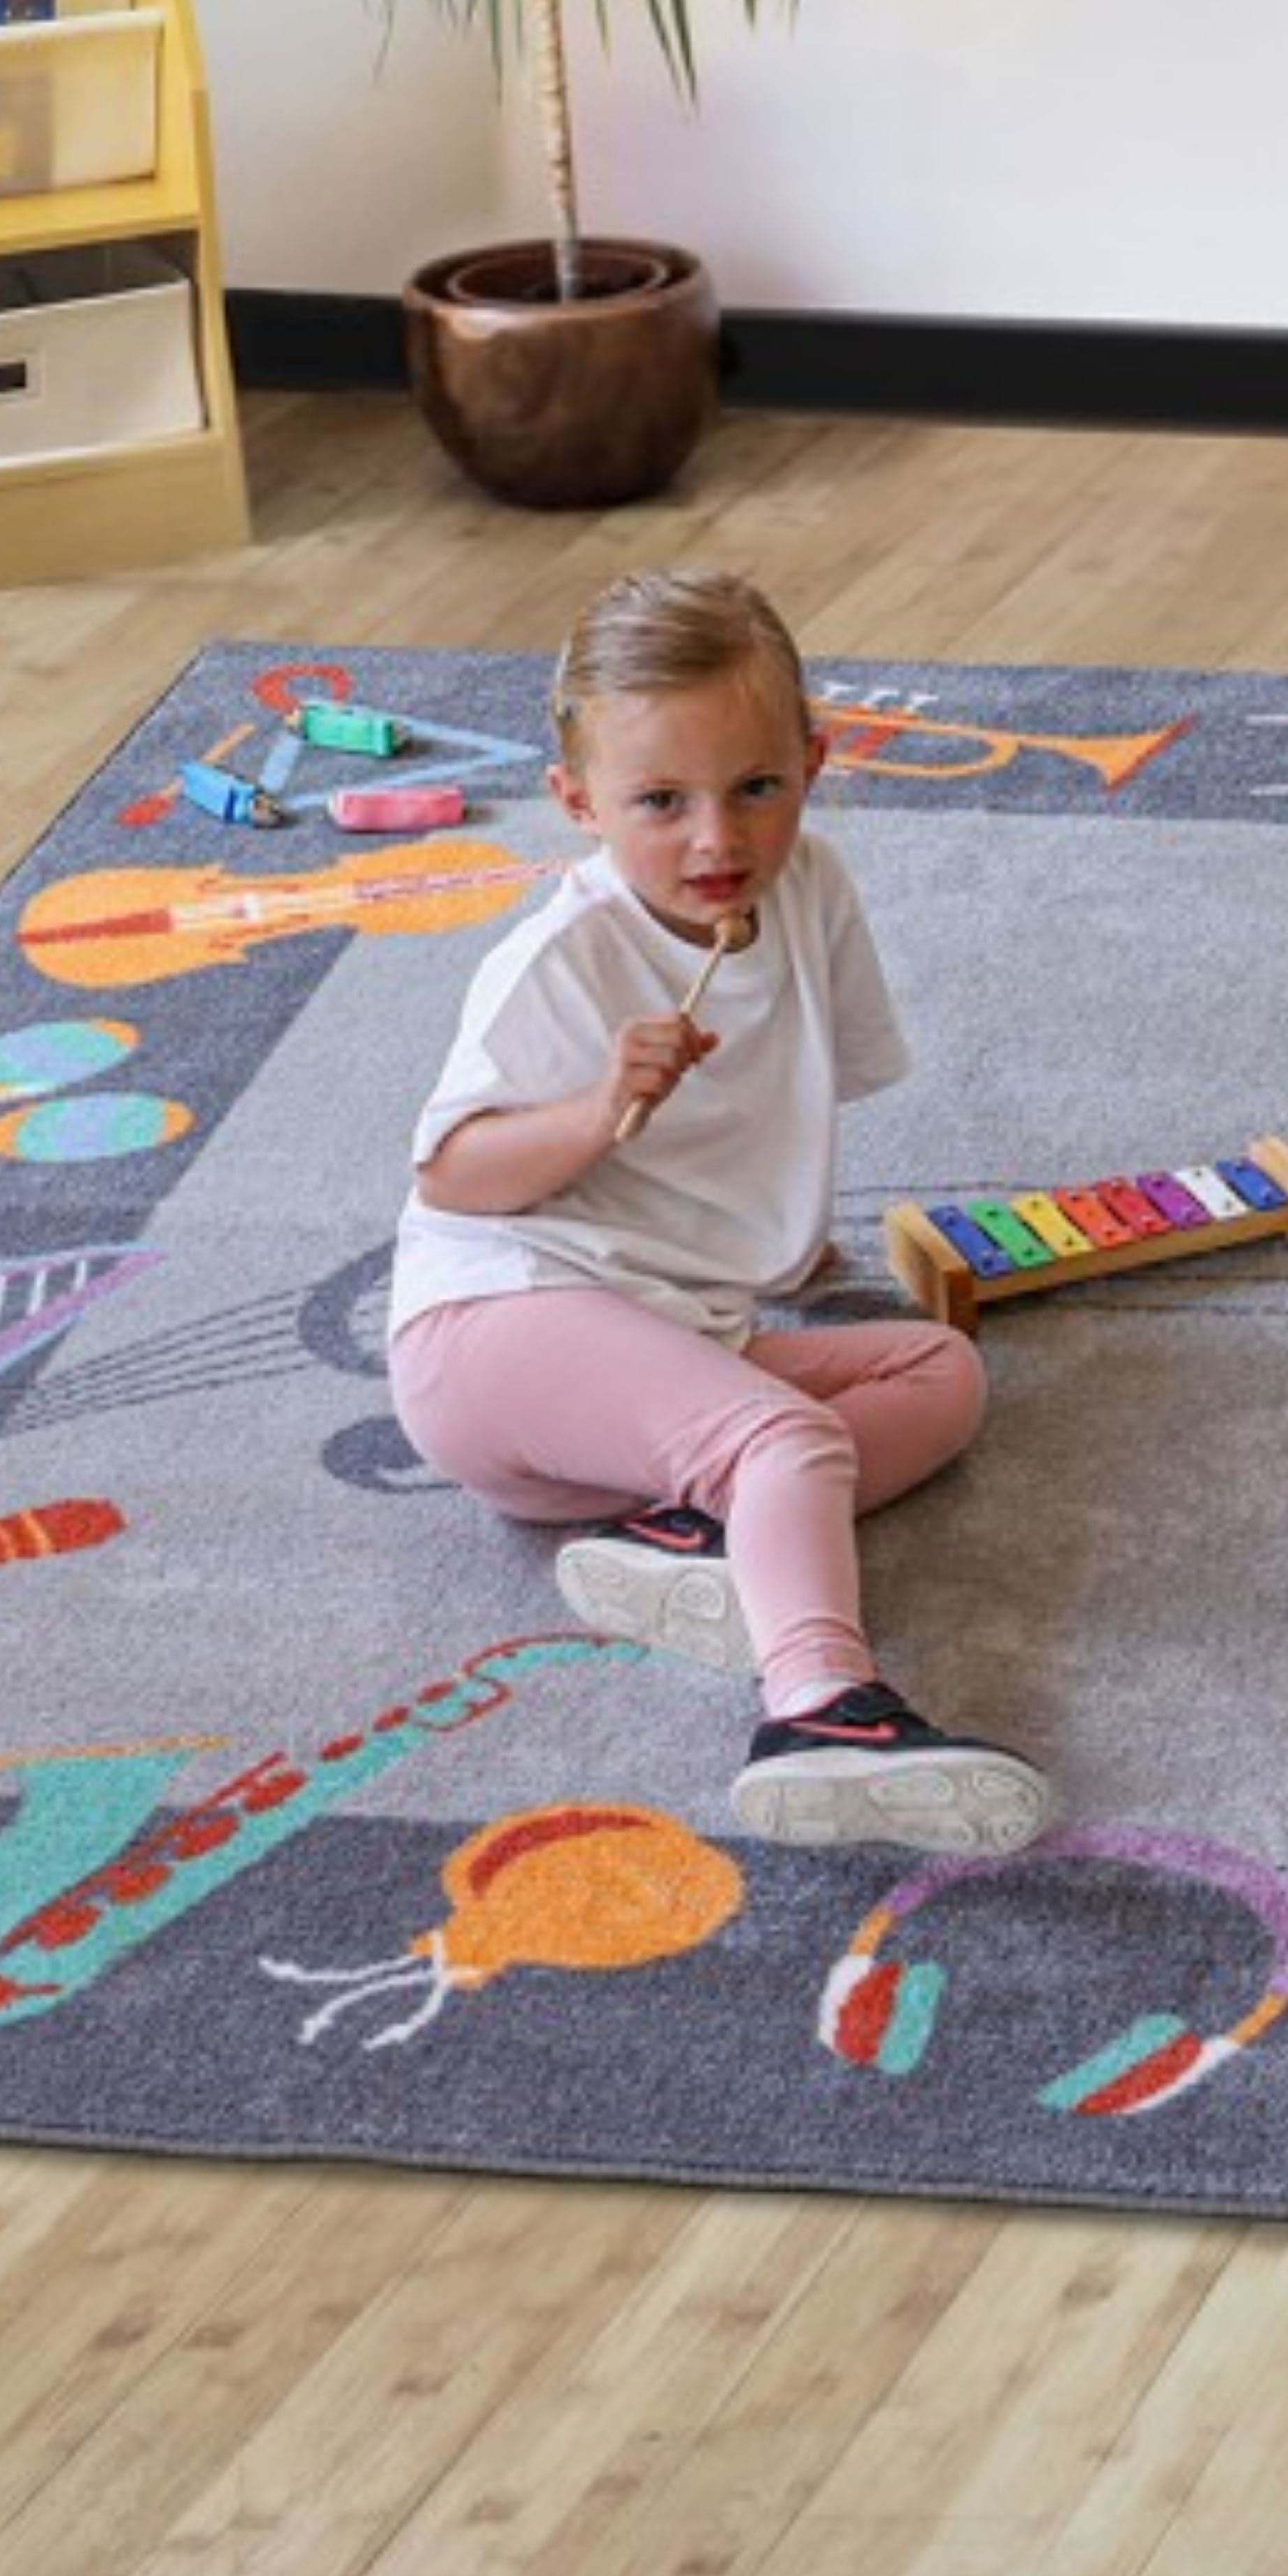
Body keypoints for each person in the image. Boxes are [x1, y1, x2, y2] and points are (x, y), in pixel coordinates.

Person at [386, 569, 1052, 1856]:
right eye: (659, 803)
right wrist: (596, 1110)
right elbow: (451, 1176)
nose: (716, 842)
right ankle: (818, 1703)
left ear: (815, 761)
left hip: (659, 1332)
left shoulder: (813, 895)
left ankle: (692, 1540)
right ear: (579, 804)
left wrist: (787, 1250)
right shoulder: (559, 959)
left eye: (757, 788)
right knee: (789, 1444)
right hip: (496, 1328)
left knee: (939, 1372)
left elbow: (789, 1099)